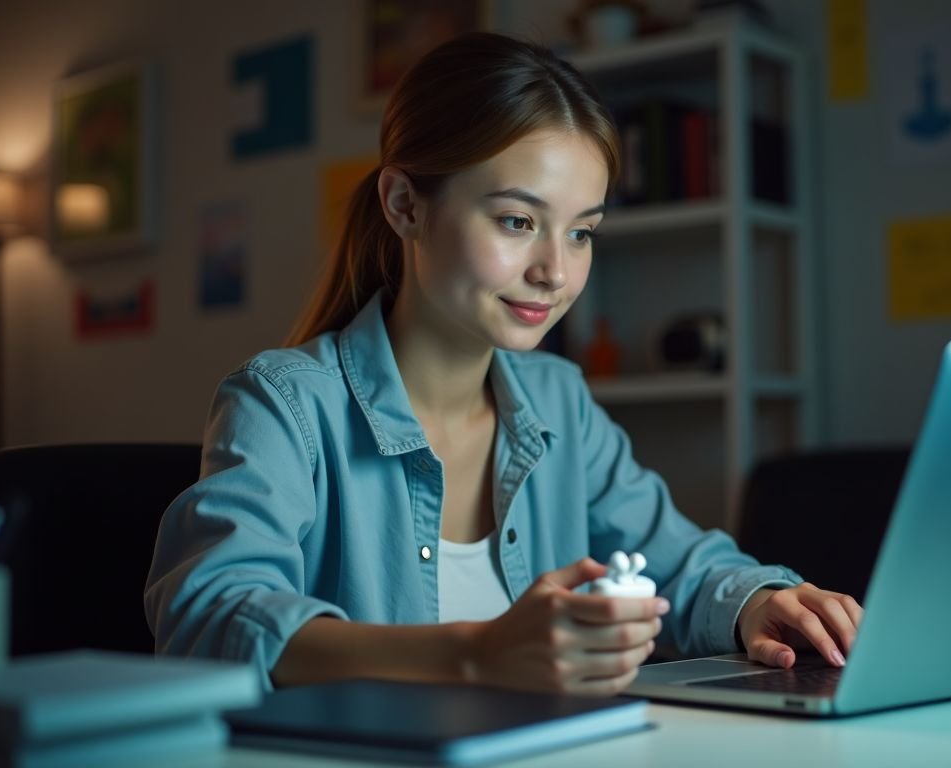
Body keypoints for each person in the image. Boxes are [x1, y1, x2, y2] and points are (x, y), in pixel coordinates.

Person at [144, 32, 862, 695]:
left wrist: (763, 604)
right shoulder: (284, 404)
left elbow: (679, 563)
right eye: (518, 221)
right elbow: (214, 619)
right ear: (404, 205)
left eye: (581, 232)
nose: (555, 271)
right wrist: (473, 654)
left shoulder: (560, 401)